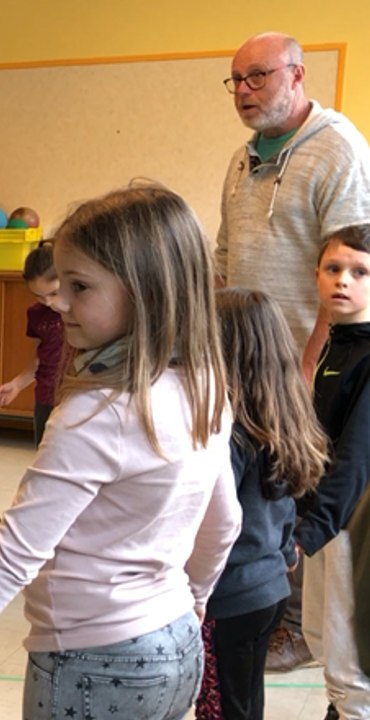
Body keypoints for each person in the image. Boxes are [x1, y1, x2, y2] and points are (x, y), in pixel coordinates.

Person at [0, 185, 241, 720]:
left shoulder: (94, 416)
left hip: (91, 660)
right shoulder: (207, 387)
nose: (58, 302)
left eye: (79, 287)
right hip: (175, 644)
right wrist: (190, 602)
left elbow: (8, 561)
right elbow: (225, 524)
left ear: (145, 291)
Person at [216, 33, 370, 672]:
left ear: (297, 74)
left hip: (303, 360)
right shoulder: (243, 156)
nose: (244, 92)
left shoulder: (339, 149)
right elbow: (223, 253)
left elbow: (350, 263)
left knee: (301, 485)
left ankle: (298, 625)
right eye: (236, 82)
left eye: (257, 78)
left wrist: (310, 361)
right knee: (252, 483)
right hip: (241, 352)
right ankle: (246, 596)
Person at [193, 288, 326, 720]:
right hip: (270, 590)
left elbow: (216, 521)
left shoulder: (228, 432)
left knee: (221, 708)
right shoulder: (281, 418)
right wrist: (285, 552)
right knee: (246, 703)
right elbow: (286, 506)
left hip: (228, 596)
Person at [292, 225, 370, 718]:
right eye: (333, 269)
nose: (343, 280)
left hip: (350, 519)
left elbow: (356, 456)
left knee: (348, 650)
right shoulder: (335, 345)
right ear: (316, 276)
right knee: (320, 633)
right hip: (324, 516)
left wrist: (312, 529)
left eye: (360, 272)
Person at [0, 243, 63, 446]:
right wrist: (17, 384)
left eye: (54, 293)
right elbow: (40, 357)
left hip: (76, 399)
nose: (48, 302)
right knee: (44, 454)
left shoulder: (81, 310)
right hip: (46, 397)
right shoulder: (36, 313)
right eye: (39, 296)